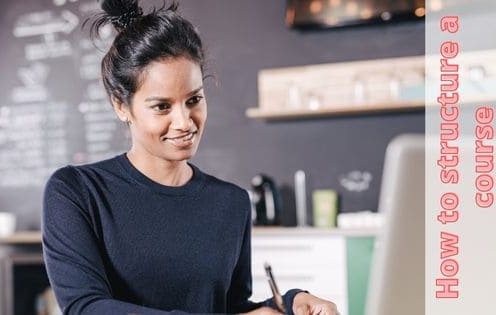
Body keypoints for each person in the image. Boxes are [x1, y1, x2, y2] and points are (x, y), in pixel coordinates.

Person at [42, 1, 339, 314]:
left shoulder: (231, 203)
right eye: (162, 106)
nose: (185, 122)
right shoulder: (78, 191)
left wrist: (290, 303)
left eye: (194, 99)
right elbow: (84, 307)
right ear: (121, 106)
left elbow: (229, 308)